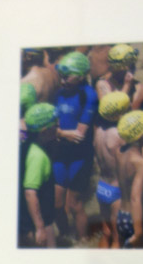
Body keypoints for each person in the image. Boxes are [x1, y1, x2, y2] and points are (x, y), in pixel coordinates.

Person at [49, 51, 98, 246]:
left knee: (75, 204)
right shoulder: (60, 93)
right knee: (57, 204)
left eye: (67, 77)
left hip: (80, 157)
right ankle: (65, 235)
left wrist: (58, 133)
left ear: (80, 75)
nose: (62, 81)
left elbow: (79, 135)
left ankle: (84, 241)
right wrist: (61, 133)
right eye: (61, 76)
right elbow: (52, 128)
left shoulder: (89, 96)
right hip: (61, 155)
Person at [93, 90, 133, 248]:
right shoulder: (119, 135)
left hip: (102, 186)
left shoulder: (99, 131)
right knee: (118, 238)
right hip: (117, 190)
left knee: (106, 233)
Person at [20, 102, 59, 248]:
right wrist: (40, 227)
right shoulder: (38, 156)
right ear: (44, 131)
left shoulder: (26, 145)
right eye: (55, 124)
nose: (58, 127)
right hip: (38, 222)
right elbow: (30, 193)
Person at [115, 109, 143, 248]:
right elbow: (135, 198)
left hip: (122, 215)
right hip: (137, 219)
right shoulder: (141, 164)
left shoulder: (120, 152)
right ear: (142, 136)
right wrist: (138, 233)